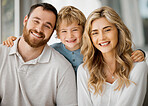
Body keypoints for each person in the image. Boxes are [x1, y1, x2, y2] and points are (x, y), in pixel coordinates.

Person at [2, 6, 146, 73]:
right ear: (56, 34)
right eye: (64, 31)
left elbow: (117, 53)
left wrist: (141, 52)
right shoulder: (53, 50)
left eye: (75, 30)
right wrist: (15, 40)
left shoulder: (93, 47)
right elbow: (33, 47)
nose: (69, 36)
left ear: (84, 31)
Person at [0, 3, 77, 106]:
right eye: (36, 21)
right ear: (25, 20)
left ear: (53, 32)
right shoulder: (1, 53)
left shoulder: (62, 68)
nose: (39, 29)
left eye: (47, 26)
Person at [77, 6, 148, 106]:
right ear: (90, 38)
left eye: (107, 30)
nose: (102, 37)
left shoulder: (137, 67)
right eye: (95, 33)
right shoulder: (84, 71)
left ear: (119, 31)